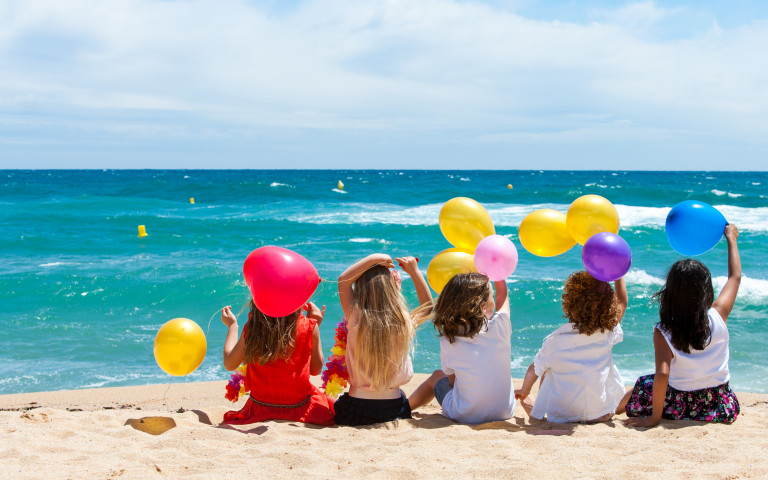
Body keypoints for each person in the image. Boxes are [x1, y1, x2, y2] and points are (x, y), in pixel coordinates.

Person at [619, 224, 741, 427]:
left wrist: (654, 418)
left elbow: (663, 374)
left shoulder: (664, 331)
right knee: (649, 382)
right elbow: (734, 277)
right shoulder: (719, 315)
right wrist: (731, 240)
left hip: (680, 403)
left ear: (670, 295)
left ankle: (612, 409)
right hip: (719, 404)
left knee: (644, 383)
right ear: (706, 292)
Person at [514, 272, 628, 423]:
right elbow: (622, 302)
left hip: (563, 417)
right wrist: (618, 275)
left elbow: (533, 369)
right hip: (602, 414)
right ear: (608, 305)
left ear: (569, 304)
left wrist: (524, 390)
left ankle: (534, 408)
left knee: (547, 369)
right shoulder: (607, 331)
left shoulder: (555, 341)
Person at [334, 254, 432, 426]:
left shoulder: (356, 317)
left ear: (361, 289)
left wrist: (376, 258)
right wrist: (415, 272)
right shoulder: (403, 322)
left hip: (355, 409)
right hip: (395, 409)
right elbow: (428, 308)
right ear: (394, 290)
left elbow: (343, 280)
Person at [408, 272, 515, 424]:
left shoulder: (449, 341)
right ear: (483, 305)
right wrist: (496, 270)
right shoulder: (501, 326)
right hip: (505, 412)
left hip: (464, 414)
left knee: (437, 376)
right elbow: (502, 294)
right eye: (490, 294)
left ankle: (406, 406)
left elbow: (452, 383)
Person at [220, 300, 335, 426]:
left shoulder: (253, 327)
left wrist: (232, 326)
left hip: (260, 407)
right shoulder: (309, 326)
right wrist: (313, 327)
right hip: (300, 407)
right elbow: (315, 370)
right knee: (333, 403)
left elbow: (229, 364)